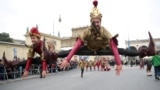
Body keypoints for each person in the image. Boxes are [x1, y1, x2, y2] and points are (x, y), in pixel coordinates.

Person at [60, 0, 122, 75]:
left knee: (122, 50)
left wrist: (118, 63)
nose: (96, 24)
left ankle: (107, 65)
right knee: (71, 50)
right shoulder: (87, 31)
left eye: (97, 22)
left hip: (102, 48)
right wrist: (67, 59)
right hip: (88, 48)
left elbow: (112, 44)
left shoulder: (104, 31)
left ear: (100, 22)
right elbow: (78, 44)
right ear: (91, 22)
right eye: (94, 22)